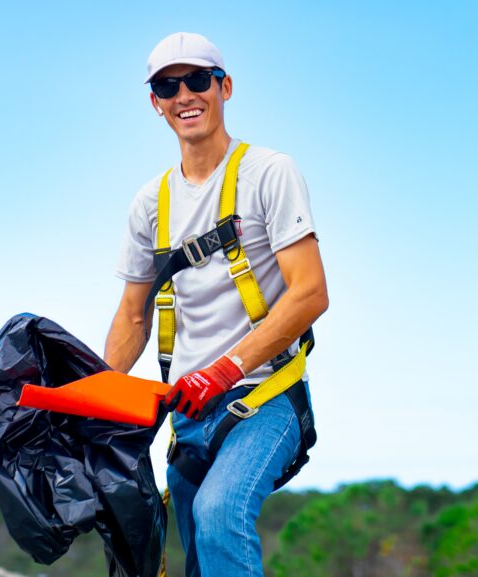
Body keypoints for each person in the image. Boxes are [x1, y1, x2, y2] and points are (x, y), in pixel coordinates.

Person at [104, 32, 328, 577]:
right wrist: (98, 401)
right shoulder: (149, 204)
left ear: (224, 87)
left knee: (219, 511)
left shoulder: (269, 173)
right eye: (168, 85)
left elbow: (310, 293)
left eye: (198, 80)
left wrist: (226, 369)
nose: (185, 94)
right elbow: (133, 316)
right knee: (200, 557)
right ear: (155, 102)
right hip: (187, 416)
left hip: (264, 398)